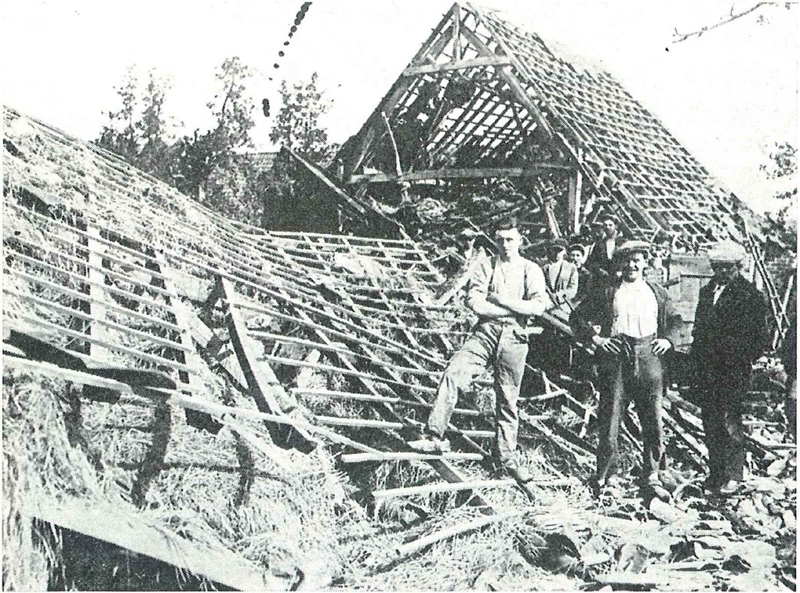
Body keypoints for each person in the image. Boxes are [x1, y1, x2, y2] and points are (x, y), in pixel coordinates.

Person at [409, 217, 551, 480]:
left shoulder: (530, 270)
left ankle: (506, 459)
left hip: (515, 337)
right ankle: (434, 434)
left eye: (510, 239)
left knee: (507, 399)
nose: (505, 244)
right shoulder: (487, 266)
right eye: (500, 240)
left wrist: (500, 300)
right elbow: (474, 301)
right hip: (485, 332)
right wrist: (507, 307)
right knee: (454, 374)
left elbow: (538, 306)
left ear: (520, 241)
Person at [571, 241, 682, 496]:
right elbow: (577, 317)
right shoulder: (609, 291)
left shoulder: (656, 292)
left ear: (645, 263)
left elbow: (676, 320)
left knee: (652, 417)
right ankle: (606, 476)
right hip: (617, 356)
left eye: (637, 260)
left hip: (649, 354)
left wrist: (668, 340)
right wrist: (596, 339)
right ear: (620, 264)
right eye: (627, 260)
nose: (632, 265)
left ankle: (653, 472)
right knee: (611, 416)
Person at [692, 240, 768, 495]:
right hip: (706, 369)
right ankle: (716, 474)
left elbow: (760, 339)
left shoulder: (751, 296)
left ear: (738, 267)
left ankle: (734, 474)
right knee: (710, 422)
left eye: (728, 268)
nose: (722, 272)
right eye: (718, 268)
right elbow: (699, 330)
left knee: (730, 423)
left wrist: (739, 358)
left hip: (732, 370)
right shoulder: (706, 292)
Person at [543, 238, 579, 315]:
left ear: (565, 252)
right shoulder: (546, 268)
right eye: (555, 250)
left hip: (564, 306)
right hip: (547, 306)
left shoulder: (571, 268)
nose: (557, 254)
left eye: (560, 251)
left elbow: (573, 289)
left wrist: (558, 296)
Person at [585, 213, 623, 278]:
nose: (607, 227)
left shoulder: (622, 242)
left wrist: (621, 271)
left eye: (610, 225)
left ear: (616, 226)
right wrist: (599, 270)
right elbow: (592, 261)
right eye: (605, 225)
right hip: (603, 279)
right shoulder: (599, 244)